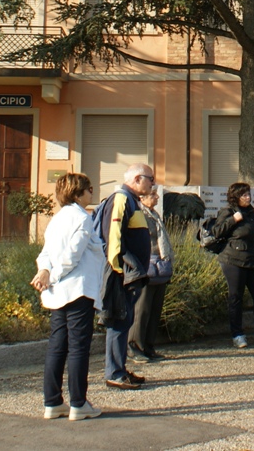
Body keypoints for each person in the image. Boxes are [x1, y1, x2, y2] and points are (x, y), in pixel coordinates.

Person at [31, 173, 106, 421]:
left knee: (57, 346)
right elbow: (72, 256)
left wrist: (44, 271)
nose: (92, 193)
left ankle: (52, 402)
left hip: (57, 293)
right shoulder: (82, 219)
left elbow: (46, 253)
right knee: (77, 348)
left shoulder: (56, 220)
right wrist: (50, 275)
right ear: (77, 194)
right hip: (77, 290)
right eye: (89, 189)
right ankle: (78, 403)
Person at [93, 163, 154, 390]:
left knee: (124, 320)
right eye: (150, 178)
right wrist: (121, 271)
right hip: (121, 274)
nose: (153, 183)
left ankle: (119, 368)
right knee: (119, 320)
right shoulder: (121, 199)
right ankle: (115, 373)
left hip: (128, 275)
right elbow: (113, 238)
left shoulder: (131, 200)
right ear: (137, 179)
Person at [215, 182, 254, 348]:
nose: (248, 197)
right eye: (244, 195)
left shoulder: (251, 212)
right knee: (236, 297)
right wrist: (233, 220)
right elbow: (217, 231)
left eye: (249, 194)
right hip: (234, 260)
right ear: (235, 197)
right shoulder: (227, 211)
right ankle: (237, 334)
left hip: (253, 260)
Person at [129, 187, 173, 363]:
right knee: (142, 309)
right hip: (146, 266)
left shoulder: (154, 214)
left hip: (160, 267)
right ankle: (134, 347)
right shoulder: (140, 215)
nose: (156, 198)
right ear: (143, 197)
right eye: (153, 195)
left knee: (155, 309)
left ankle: (148, 346)